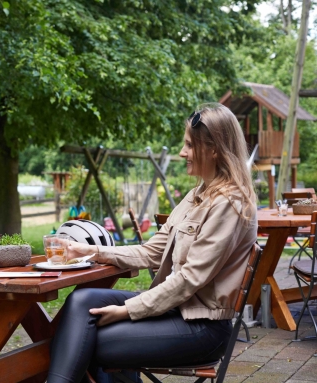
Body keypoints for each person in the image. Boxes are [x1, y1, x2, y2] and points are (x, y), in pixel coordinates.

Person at [47, 103, 258, 383]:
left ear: (214, 149)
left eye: (189, 146)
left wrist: (127, 311)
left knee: (87, 339)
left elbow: (188, 279)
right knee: (81, 300)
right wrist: (91, 251)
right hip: (175, 311)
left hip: (202, 327)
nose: (182, 153)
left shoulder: (230, 203)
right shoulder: (198, 194)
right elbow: (152, 251)